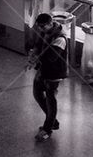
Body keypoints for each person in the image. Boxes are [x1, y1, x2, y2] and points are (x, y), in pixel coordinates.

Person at [27, 13, 68, 141]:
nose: (40, 29)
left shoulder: (60, 38)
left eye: (43, 27)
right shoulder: (46, 32)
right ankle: (53, 121)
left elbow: (51, 57)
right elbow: (38, 45)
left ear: (50, 23)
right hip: (43, 69)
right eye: (39, 27)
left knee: (51, 99)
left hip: (54, 73)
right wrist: (33, 54)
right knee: (37, 93)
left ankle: (47, 128)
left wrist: (35, 59)